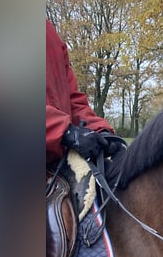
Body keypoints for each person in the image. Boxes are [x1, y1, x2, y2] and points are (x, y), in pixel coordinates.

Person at [45, 19, 124, 164]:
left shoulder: (47, 31)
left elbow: (73, 100)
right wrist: (65, 132)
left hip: (57, 165)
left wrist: (100, 131)